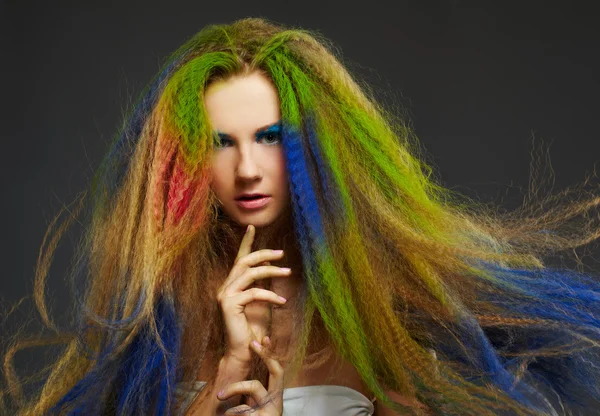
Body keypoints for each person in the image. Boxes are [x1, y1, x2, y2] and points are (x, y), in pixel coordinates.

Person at [4, 17, 600, 416]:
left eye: (268, 137)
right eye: (221, 142)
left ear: (312, 146)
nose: (247, 169)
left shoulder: (377, 304)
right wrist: (224, 384)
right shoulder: (160, 310)